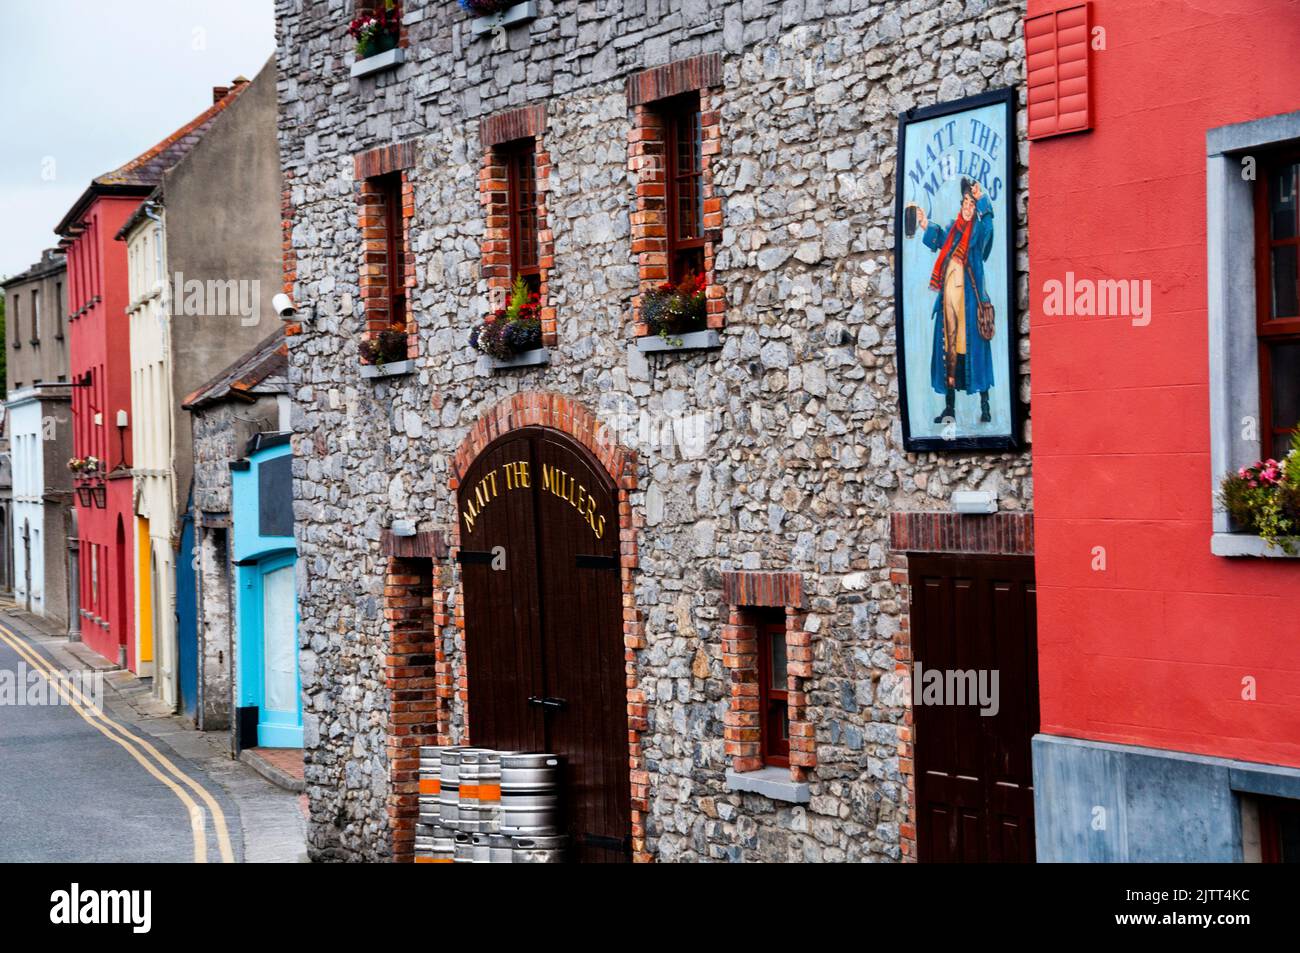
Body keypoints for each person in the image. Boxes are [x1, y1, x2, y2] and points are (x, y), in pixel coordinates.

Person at [912, 177, 995, 424]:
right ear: (961, 205)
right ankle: (950, 408)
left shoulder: (978, 232)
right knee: (948, 354)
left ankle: (985, 405)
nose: (969, 207)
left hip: (970, 306)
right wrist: (926, 224)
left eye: (972, 203)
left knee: (976, 355)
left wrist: (983, 201)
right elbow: (939, 237)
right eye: (966, 203)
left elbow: (989, 229)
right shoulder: (953, 230)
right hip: (949, 303)